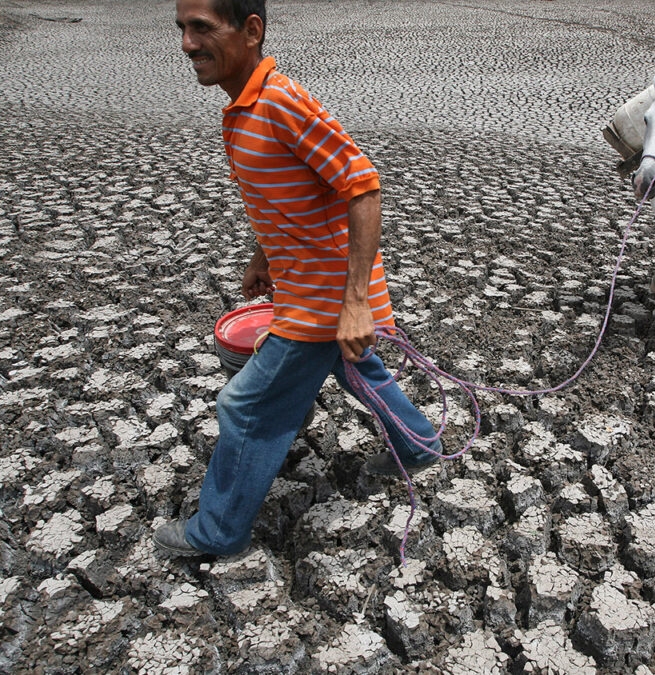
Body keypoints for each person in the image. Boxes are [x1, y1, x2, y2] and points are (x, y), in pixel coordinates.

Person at [155, 0, 441, 557]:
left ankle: (218, 533)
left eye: (202, 28)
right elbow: (283, 197)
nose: (187, 44)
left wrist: (354, 304)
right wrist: (262, 255)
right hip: (306, 287)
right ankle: (419, 441)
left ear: (251, 30)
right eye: (182, 30)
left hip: (325, 298)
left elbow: (363, 187)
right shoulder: (244, 108)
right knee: (356, 369)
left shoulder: (282, 101)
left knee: (246, 407)